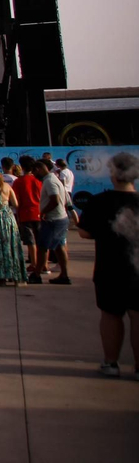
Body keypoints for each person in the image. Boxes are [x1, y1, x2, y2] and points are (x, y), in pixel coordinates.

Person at [76, 152, 139, 377]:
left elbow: (84, 232)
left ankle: (111, 363)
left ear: (112, 174)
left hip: (110, 267)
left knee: (111, 315)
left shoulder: (99, 201)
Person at [33, 159, 73, 285]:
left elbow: (54, 200)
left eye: (35, 172)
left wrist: (44, 212)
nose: (35, 175)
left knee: (43, 247)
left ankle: (37, 274)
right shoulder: (54, 179)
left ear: (39, 169)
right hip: (61, 218)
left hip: (52, 219)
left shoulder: (50, 181)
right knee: (59, 246)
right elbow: (65, 199)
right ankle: (64, 275)